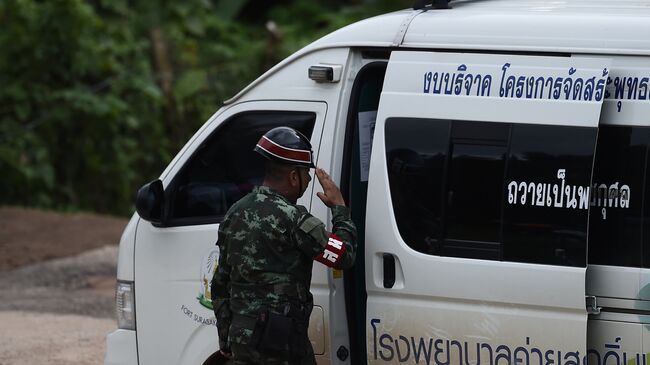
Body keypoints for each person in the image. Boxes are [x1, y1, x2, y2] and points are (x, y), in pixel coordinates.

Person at [211, 126, 357, 365]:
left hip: (241, 341)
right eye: (306, 174)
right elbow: (344, 256)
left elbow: (220, 283)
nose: (309, 180)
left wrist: (226, 335)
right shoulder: (294, 219)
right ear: (292, 176)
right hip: (282, 346)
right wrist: (340, 208)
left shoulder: (234, 213)